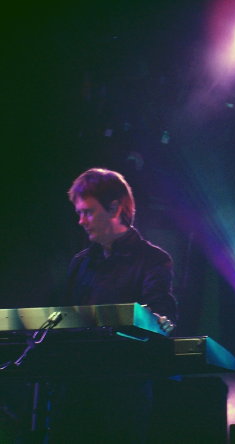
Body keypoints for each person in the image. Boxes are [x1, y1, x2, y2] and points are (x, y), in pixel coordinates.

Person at [49, 167, 178, 443]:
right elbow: (63, 319)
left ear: (115, 208)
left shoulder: (152, 259)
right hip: (76, 390)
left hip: (123, 392)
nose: (81, 221)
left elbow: (160, 312)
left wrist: (157, 319)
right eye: (79, 213)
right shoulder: (81, 262)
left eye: (88, 212)